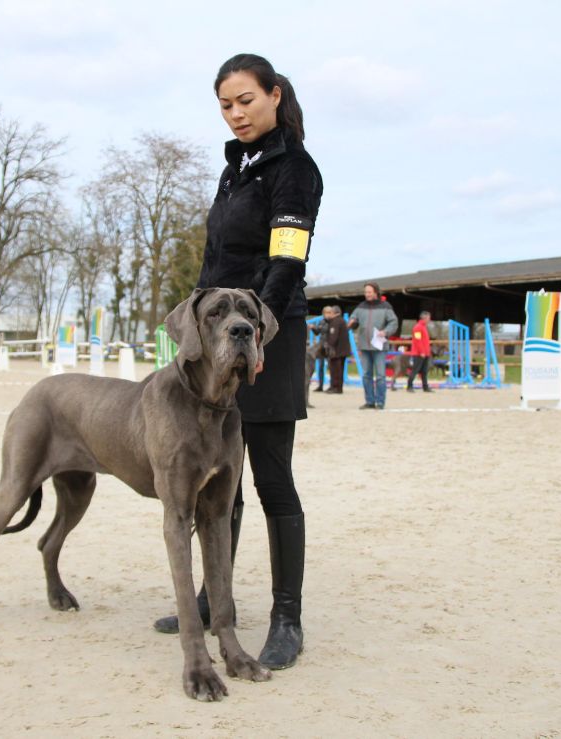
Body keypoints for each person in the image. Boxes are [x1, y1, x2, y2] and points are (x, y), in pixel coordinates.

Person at [152, 53, 322, 671]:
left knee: (271, 479)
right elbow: (209, 269)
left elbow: (286, 262)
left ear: (274, 95)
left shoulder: (294, 170)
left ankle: (287, 618)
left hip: (266, 339)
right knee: (219, 483)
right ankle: (210, 604)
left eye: (246, 99)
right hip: (214, 344)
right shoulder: (236, 171)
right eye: (225, 105)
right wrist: (197, 338)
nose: (236, 113)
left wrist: (259, 339)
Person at [348, 282, 398, 409]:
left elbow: (394, 322)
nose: (367, 294)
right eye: (366, 292)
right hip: (364, 346)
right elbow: (354, 320)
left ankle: (380, 402)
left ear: (376, 292)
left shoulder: (385, 306)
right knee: (366, 375)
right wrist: (352, 323)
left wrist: (385, 332)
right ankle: (370, 401)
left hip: (379, 347)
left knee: (381, 375)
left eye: (369, 292)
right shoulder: (360, 306)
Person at [323, 305, 351, 393]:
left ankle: (335, 387)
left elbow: (333, 337)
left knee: (335, 370)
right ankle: (337, 387)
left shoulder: (335, 322)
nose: (329, 314)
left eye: (330, 312)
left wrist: (328, 347)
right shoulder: (342, 321)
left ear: (334, 313)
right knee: (339, 370)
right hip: (342, 350)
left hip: (336, 351)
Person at [405, 311, 434, 392]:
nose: (429, 319)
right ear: (424, 318)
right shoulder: (418, 327)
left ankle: (425, 387)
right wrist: (422, 351)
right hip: (419, 353)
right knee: (415, 370)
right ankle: (409, 386)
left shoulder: (424, 327)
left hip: (425, 353)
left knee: (424, 371)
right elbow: (418, 340)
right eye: (428, 318)